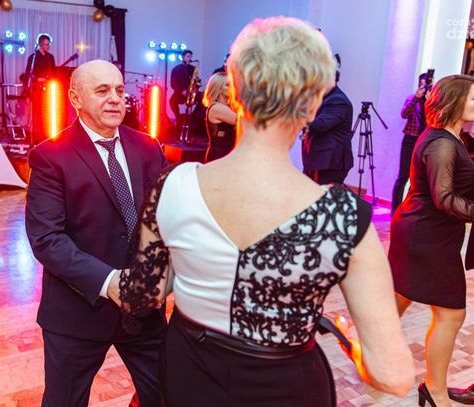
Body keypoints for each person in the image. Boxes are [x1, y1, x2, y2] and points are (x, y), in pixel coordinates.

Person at [115, 17, 414, 406]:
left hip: (189, 377)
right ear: (312, 106)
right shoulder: (342, 216)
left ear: (235, 91)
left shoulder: (174, 184)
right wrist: (355, 350)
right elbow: (392, 376)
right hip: (289, 388)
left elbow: (140, 297)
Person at [25, 60, 167, 407]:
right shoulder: (50, 156)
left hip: (143, 308)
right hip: (78, 312)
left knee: (167, 395)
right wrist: (109, 282)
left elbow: (165, 218)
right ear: (75, 98)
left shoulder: (148, 147)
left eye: (119, 90)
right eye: (102, 91)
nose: (115, 98)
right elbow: (47, 240)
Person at [388, 74, 474, 407]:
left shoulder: (452, 136)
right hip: (426, 235)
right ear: (454, 102)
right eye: (472, 98)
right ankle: (435, 391)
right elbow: (445, 199)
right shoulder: (442, 144)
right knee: (450, 314)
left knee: (401, 296)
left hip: (424, 232)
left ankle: (366, 348)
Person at [390, 73, 429, 214]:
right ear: (418, 85)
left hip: (424, 142)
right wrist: (416, 98)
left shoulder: (431, 102)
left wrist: (430, 101)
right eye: (423, 86)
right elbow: (404, 114)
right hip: (410, 140)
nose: (424, 89)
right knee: (403, 176)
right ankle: (395, 210)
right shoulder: (411, 98)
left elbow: (435, 120)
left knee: (418, 179)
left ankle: (411, 211)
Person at [301, 80, 354, 185]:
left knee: (322, 194)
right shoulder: (323, 97)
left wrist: (296, 113)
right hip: (319, 161)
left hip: (329, 163)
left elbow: (320, 125)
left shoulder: (338, 100)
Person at [202, 72, 236, 162]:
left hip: (227, 154)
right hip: (219, 155)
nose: (232, 87)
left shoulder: (228, 107)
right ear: (219, 88)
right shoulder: (216, 108)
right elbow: (242, 120)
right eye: (228, 85)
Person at [169, 49, 198, 129]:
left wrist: (197, 83)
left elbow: (195, 82)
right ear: (183, 57)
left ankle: (193, 119)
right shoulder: (176, 69)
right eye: (188, 56)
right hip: (180, 93)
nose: (190, 58)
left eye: (191, 56)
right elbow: (173, 84)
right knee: (172, 101)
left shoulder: (193, 69)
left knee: (203, 98)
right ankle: (178, 119)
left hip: (191, 92)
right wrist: (182, 91)